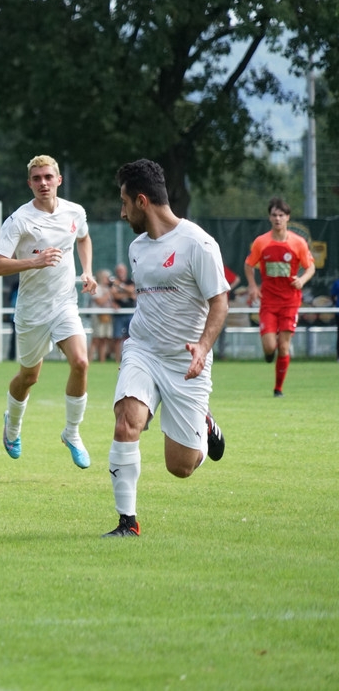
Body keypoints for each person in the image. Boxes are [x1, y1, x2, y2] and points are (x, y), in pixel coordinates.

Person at [103, 159, 228, 538]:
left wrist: (202, 347)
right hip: (142, 349)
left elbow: (220, 303)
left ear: (142, 201)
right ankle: (128, 523)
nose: (122, 213)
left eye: (125, 203)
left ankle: (204, 424)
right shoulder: (137, 248)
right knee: (126, 423)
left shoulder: (198, 244)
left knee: (180, 466)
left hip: (185, 362)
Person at [0, 154, 97, 469]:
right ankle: (12, 427)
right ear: (29, 183)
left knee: (81, 362)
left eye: (48, 177)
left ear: (58, 180)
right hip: (32, 311)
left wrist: (87, 271)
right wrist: (33, 261)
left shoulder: (75, 211)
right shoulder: (19, 220)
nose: (43, 183)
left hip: (64, 304)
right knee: (29, 377)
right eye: (37, 178)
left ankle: (72, 433)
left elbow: (83, 238)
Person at [244, 198, 316, 397]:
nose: (277, 218)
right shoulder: (261, 242)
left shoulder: (298, 242)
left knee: (284, 347)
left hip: (290, 301)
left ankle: (278, 389)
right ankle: (269, 354)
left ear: (287, 218)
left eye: (281, 215)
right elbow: (249, 265)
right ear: (270, 217)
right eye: (274, 215)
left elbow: (310, 267)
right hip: (268, 301)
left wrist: (302, 280)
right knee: (270, 346)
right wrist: (252, 286)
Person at [110, 262, 136, 361]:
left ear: (126, 271)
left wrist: (120, 286)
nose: (120, 272)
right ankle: (117, 360)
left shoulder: (130, 281)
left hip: (130, 313)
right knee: (117, 337)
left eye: (122, 271)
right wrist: (128, 294)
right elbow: (115, 295)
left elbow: (132, 291)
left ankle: (130, 359)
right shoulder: (113, 283)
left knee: (131, 338)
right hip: (118, 314)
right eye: (119, 271)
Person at [90, 269, 117, 362]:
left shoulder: (108, 288)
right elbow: (99, 301)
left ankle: (102, 360)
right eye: (106, 277)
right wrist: (109, 293)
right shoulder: (96, 288)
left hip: (107, 315)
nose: (108, 279)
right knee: (96, 339)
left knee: (104, 339)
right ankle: (89, 359)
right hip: (98, 316)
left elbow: (109, 302)